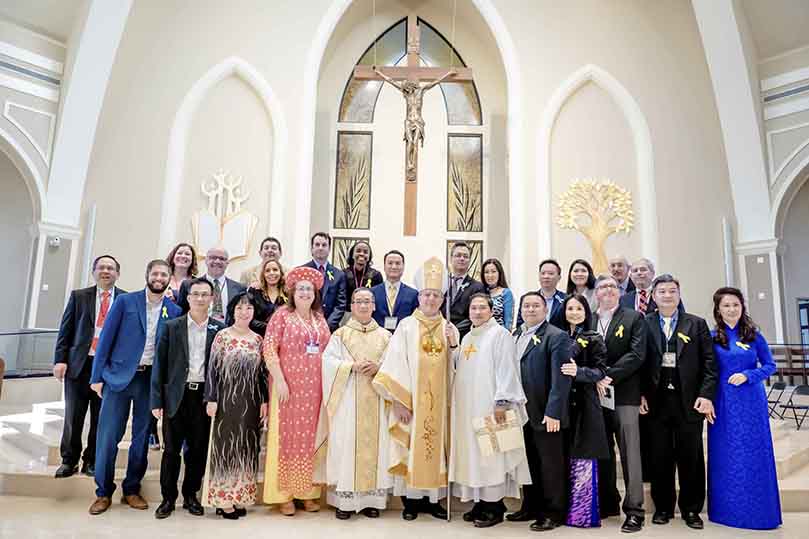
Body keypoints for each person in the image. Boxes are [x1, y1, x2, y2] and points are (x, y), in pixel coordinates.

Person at [88, 259, 182, 515]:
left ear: (169, 279)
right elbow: (105, 339)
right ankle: (103, 492)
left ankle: (131, 489)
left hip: (149, 381)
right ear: (147, 275)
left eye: (164, 275)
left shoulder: (174, 311)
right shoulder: (125, 302)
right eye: (155, 273)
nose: (159, 278)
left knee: (141, 439)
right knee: (108, 437)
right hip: (118, 378)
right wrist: (97, 377)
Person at [373, 256, 457, 521]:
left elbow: (457, 369)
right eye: (426, 294)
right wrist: (399, 401)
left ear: (442, 300)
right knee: (411, 447)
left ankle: (433, 500)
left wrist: (454, 345)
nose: (431, 299)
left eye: (435, 295)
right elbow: (395, 363)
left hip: (439, 405)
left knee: (436, 448)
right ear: (419, 297)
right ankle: (410, 502)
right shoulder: (407, 326)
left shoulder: (449, 328)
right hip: (411, 404)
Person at [641, 274, 717, 530]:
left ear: (679, 294)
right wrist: (641, 394)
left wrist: (706, 395)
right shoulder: (644, 323)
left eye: (672, 291)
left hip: (689, 401)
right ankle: (663, 508)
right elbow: (639, 362)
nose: (667, 295)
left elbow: (710, 363)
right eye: (661, 291)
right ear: (653, 296)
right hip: (656, 401)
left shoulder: (696, 324)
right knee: (659, 457)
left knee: (691, 457)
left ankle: (691, 509)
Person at [450, 293, 530, 528]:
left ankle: (494, 506)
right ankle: (480, 502)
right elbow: (461, 366)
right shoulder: (468, 336)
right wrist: (453, 346)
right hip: (470, 408)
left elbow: (507, 368)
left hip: (492, 407)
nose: (477, 312)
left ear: (491, 310)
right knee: (476, 456)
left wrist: (502, 401)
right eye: (473, 308)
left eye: (482, 308)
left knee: (493, 456)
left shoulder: (500, 334)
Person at [151, 278, 225, 519]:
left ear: (212, 299)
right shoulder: (171, 327)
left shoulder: (219, 330)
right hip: (176, 396)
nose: (200, 298)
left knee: (197, 450)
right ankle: (168, 498)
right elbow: (159, 365)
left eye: (205, 294)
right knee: (171, 450)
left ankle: (191, 495)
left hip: (203, 397)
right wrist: (156, 401)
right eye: (196, 294)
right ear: (189, 297)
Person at [707, 287, 781, 530]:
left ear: (742, 307)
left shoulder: (753, 336)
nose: (731, 309)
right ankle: (727, 511)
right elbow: (706, 370)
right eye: (726, 305)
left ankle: (759, 512)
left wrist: (749, 375)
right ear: (718, 309)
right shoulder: (711, 337)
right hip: (722, 402)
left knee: (753, 453)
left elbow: (770, 366)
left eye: (736, 305)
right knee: (725, 454)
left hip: (751, 403)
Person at [262, 266, 331, 515]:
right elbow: (269, 348)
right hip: (287, 389)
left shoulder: (319, 318)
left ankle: (307, 493)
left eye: (309, 289)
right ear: (292, 292)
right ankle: (284, 495)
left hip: (314, 390)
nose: (305, 293)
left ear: (315, 294)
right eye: (300, 289)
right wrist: (279, 380)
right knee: (287, 439)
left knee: (309, 439)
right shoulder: (281, 315)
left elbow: (328, 351)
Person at [321, 287, 392, 519]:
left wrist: (379, 368)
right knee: (346, 446)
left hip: (377, 399)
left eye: (367, 301)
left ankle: (372, 500)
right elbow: (327, 362)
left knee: (376, 446)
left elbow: (395, 364)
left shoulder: (385, 336)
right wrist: (350, 366)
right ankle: (345, 502)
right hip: (348, 401)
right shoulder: (340, 335)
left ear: (374, 305)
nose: (363, 305)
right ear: (351, 306)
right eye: (358, 301)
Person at [53, 255, 125, 479]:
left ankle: (91, 460)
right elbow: (66, 329)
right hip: (79, 364)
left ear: (117, 273)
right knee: (73, 416)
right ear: (94, 272)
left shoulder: (125, 299)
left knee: (100, 417)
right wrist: (60, 359)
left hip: (107, 368)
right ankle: (69, 460)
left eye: (110, 268)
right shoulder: (79, 296)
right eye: (101, 267)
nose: (106, 271)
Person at [507, 291, 572, 532]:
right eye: (526, 306)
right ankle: (531, 506)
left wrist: (553, 412)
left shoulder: (556, 336)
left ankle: (554, 512)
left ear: (545, 310)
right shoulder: (515, 335)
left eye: (536, 305)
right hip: (521, 412)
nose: (531, 309)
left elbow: (561, 379)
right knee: (529, 462)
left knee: (550, 464)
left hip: (545, 412)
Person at [202, 291, 269, 519]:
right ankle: (223, 499)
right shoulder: (222, 336)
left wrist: (264, 400)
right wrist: (211, 398)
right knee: (225, 448)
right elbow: (212, 369)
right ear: (232, 310)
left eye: (249, 308)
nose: (244, 312)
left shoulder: (258, 340)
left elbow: (262, 374)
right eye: (239, 307)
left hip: (251, 402)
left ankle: (240, 495)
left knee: (247, 448)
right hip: (225, 402)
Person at [592, 275, 646, 533]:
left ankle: (635, 510)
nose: (608, 290)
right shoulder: (589, 319)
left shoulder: (633, 318)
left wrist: (607, 375)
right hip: (595, 396)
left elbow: (637, 354)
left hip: (624, 393)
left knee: (630, 452)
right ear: (596, 293)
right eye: (603, 287)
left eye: (612, 286)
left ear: (620, 292)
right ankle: (607, 502)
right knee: (602, 451)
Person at [559, 294, 608, 528]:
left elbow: (601, 371)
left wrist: (578, 372)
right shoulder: (557, 336)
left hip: (585, 404)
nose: (574, 313)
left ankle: (582, 515)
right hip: (562, 404)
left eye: (579, 308)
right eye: (570, 308)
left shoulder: (593, 337)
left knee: (584, 457)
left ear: (586, 312)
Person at [177, 246, 246, 325]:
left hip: (227, 331)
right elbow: (181, 313)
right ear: (206, 260)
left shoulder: (239, 288)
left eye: (222, 259)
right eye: (213, 258)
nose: (217, 261)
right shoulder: (188, 285)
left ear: (227, 263)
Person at [303, 232, 347, 332]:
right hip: (306, 327)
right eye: (317, 244)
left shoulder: (339, 275)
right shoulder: (303, 271)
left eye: (324, 245)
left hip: (330, 328)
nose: (320, 248)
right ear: (312, 248)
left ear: (329, 249)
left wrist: (327, 326)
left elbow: (340, 305)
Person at [442, 242, 485, 340]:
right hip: (441, 336)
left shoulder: (477, 287)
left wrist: (454, 331)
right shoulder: (442, 283)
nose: (462, 259)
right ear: (451, 259)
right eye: (458, 255)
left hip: (465, 337)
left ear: (469, 260)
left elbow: (477, 315)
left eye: (465, 256)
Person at [371, 249, 418, 331]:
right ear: (384, 267)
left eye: (398, 263)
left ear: (403, 267)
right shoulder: (372, 292)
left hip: (404, 336)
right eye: (390, 263)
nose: (394, 267)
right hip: (378, 336)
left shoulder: (413, 294)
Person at [516, 259, 566, 329]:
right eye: (543, 273)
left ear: (559, 277)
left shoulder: (566, 299)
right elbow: (520, 324)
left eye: (551, 273)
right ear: (539, 276)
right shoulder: (527, 298)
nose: (546, 276)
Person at [247, 259, 287, 335]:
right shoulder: (255, 291)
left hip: (283, 337)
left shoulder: (288, 293)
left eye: (275, 270)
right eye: (267, 271)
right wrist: (271, 328)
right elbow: (248, 317)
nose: (271, 273)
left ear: (281, 273)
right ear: (263, 274)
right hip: (258, 336)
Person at [481, 258, 514, 330]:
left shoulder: (506, 293)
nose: (490, 275)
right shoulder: (480, 292)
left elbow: (508, 321)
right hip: (481, 333)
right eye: (486, 272)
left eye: (493, 272)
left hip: (499, 333)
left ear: (499, 273)